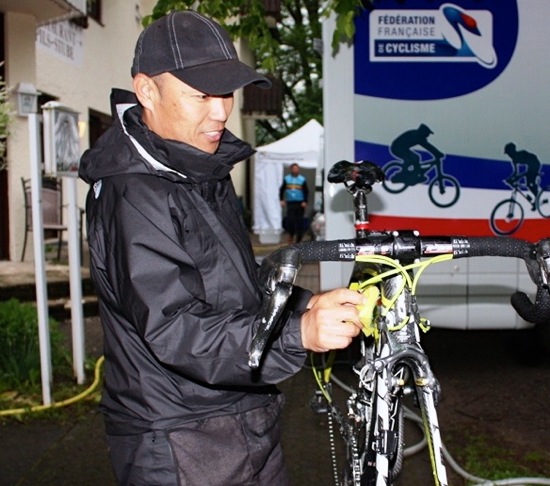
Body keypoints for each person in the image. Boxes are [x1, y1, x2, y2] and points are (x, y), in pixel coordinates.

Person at [78, 10, 363, 486]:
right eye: (200, 95)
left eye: (226, 93)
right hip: (180, 438)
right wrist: (298, 335)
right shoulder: (134, 193)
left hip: (242, 414)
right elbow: (176, 329)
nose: (220, 111)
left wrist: (307, 306)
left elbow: (238, 282)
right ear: (147, 90)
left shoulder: (197, 167)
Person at [279, 163, 308, 243]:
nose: (295, 170)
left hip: (300, 203)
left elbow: (306, 191)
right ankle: (291, 235)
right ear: (291, 169)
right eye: (294, 168)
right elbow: (282, 190)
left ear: (298, 170)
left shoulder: (302, 179)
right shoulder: (287, 179)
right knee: (290, 220)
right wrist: (281, 200)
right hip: (290, 203)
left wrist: (305, 201)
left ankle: (299, 239)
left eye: (297, 168)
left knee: (299, 221)